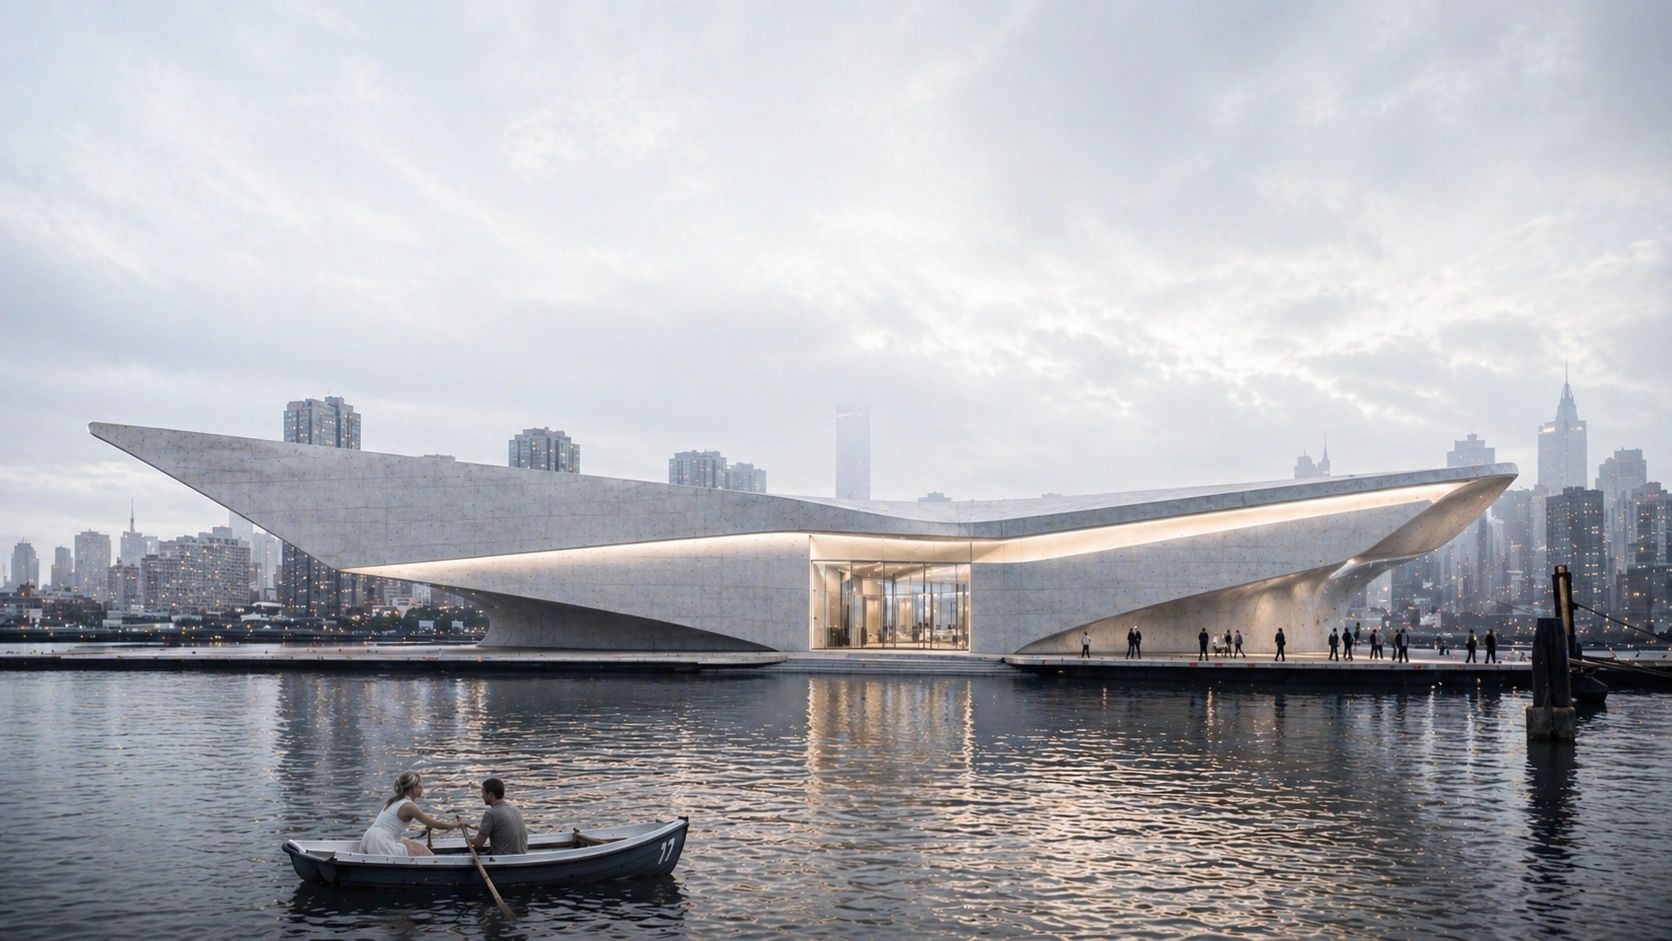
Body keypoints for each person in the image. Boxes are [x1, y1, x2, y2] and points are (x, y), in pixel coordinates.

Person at [360, 770, 465, 857]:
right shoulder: (409, 806)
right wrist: (456, 825)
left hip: (370, 836)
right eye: (420, 786)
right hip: (381, 841)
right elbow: (435, 824)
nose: (422, 789)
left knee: (417, 848)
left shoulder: (395, 801)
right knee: (417, 852)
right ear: (412, 788)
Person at [468, 777, 529, 857]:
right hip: (522, 855)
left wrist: (468, 840)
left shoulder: (490, 813)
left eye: (483, 793)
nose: (482, 796)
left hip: (504, 858)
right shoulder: (515, 809)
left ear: (491, 795)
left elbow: (478, 844)